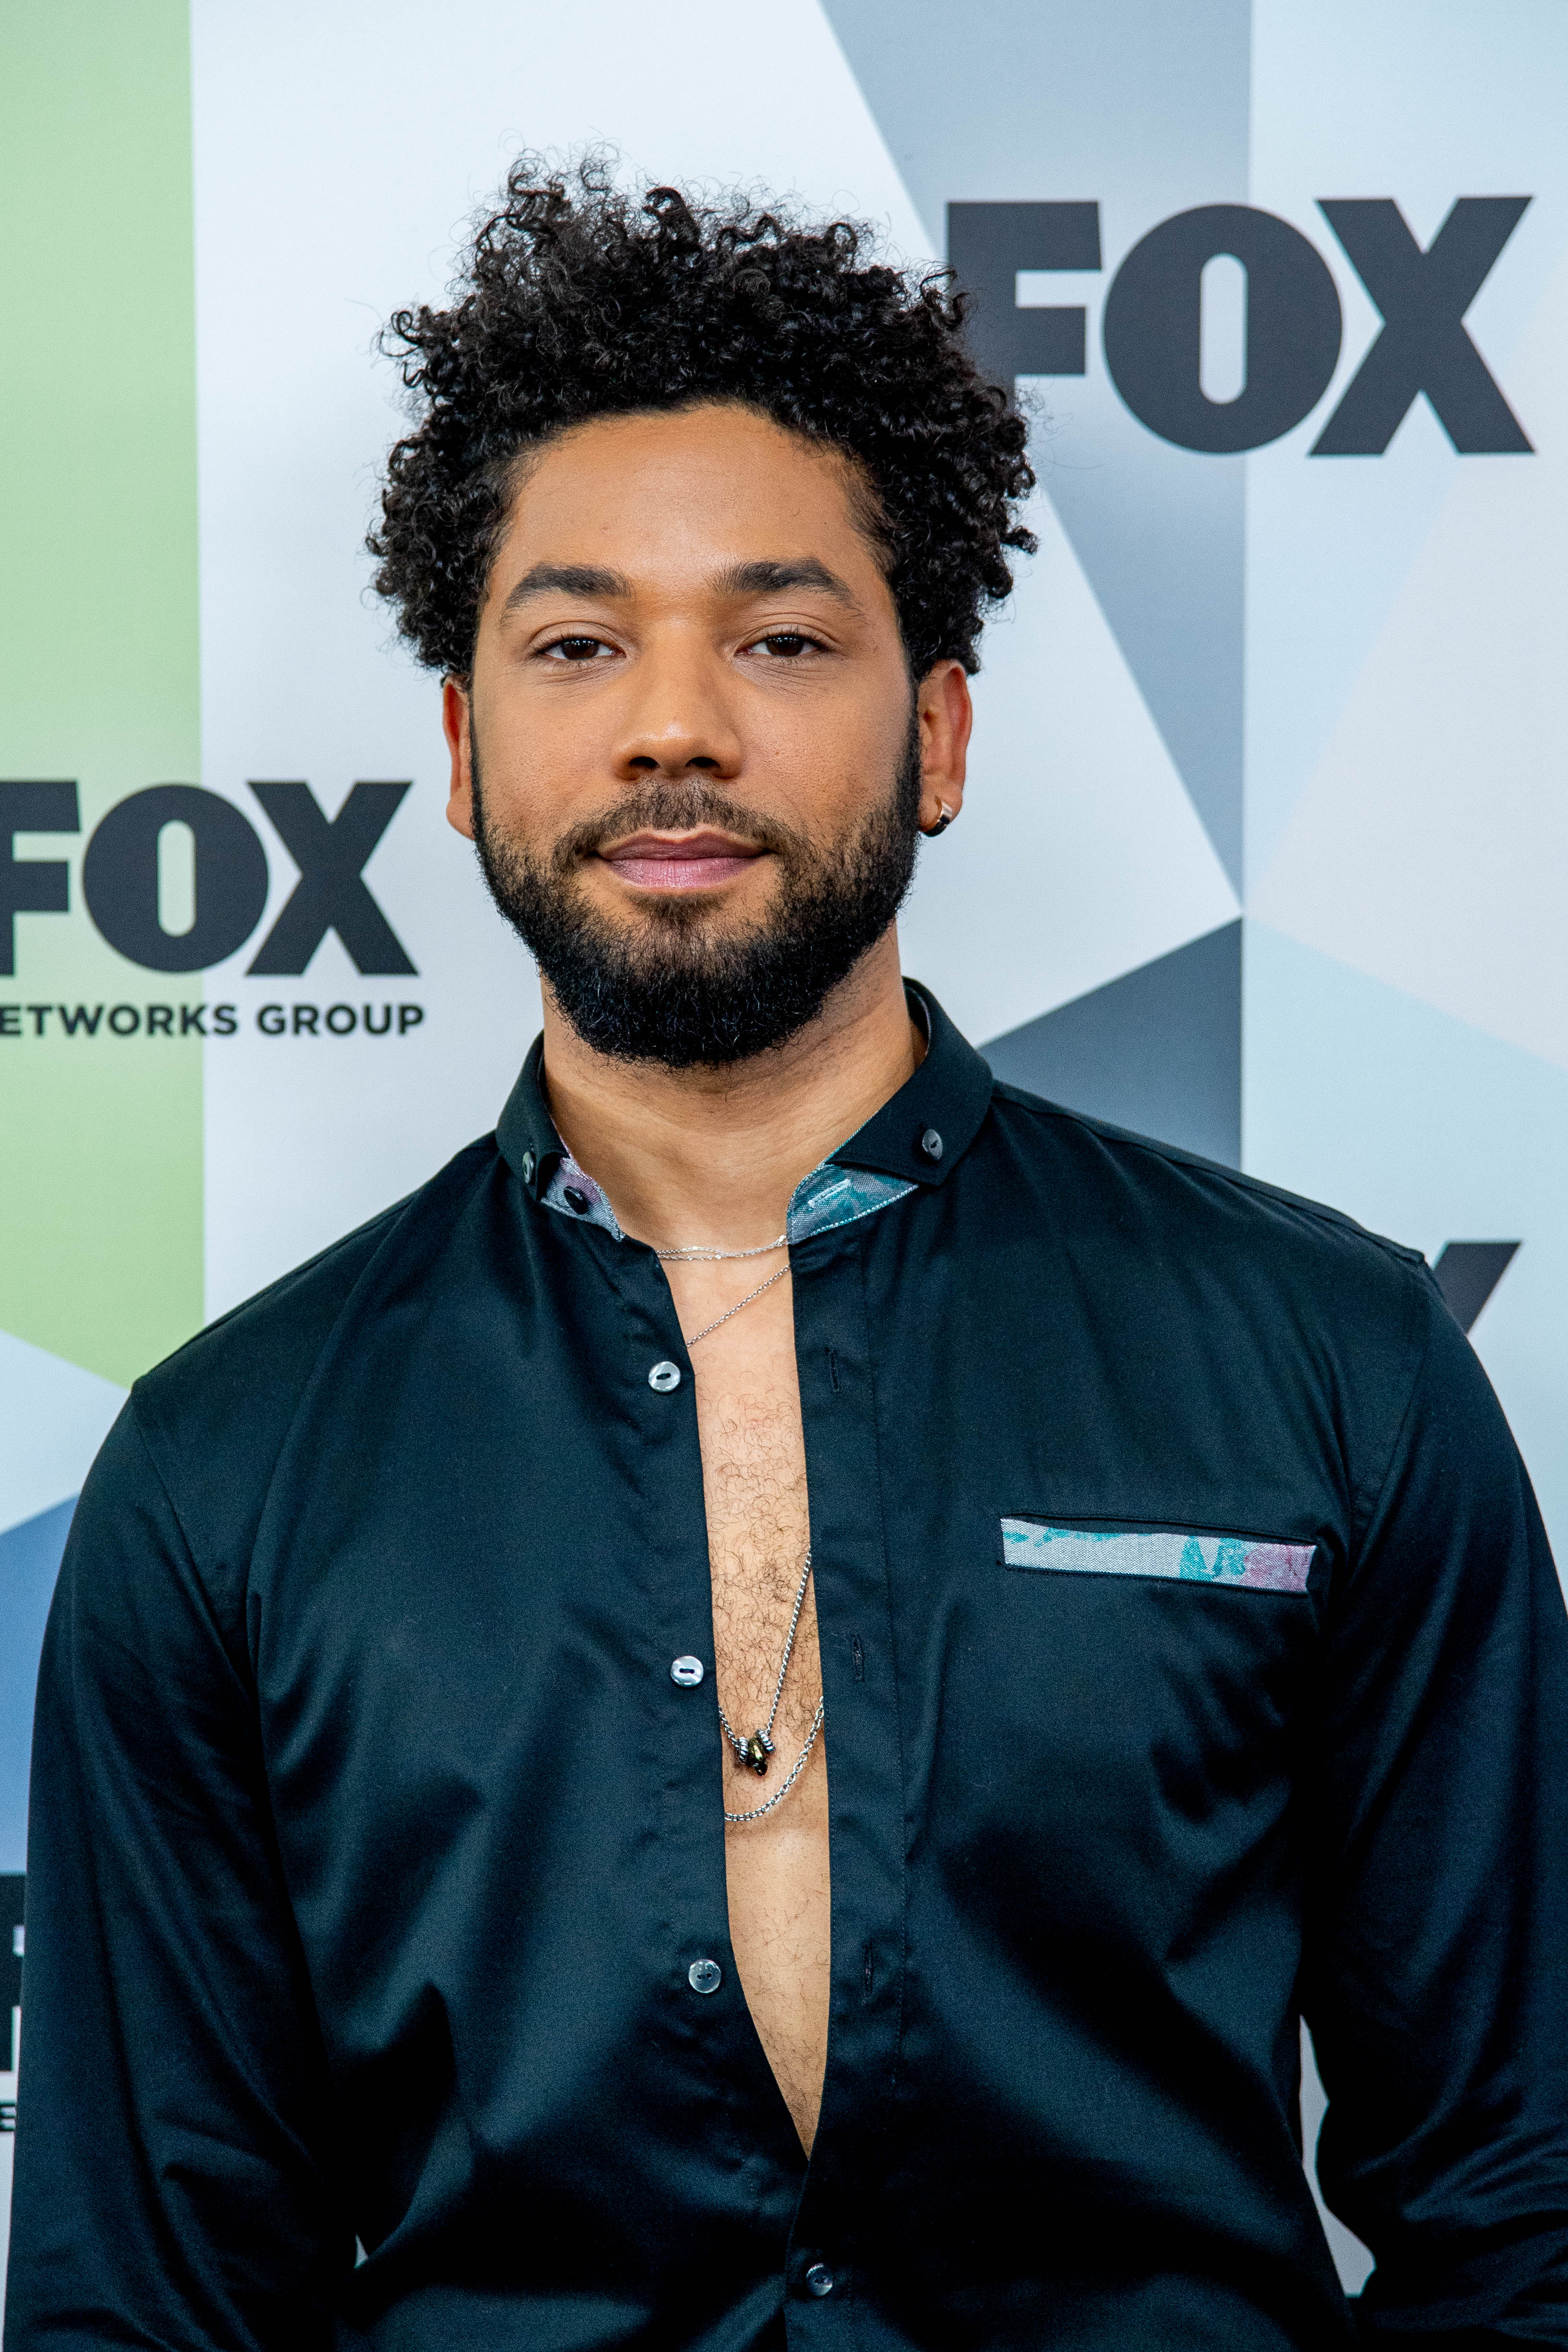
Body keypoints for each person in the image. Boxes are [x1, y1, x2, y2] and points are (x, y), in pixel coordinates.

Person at [8, 159, 1568, 2352]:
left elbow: (1523, 2204)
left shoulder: (1335, 1366)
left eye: (779, 636)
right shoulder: (221, 1471)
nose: (674, 723)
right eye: (575, 643)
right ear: (461, 751)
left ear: (934, 730)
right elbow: (143, 2296)